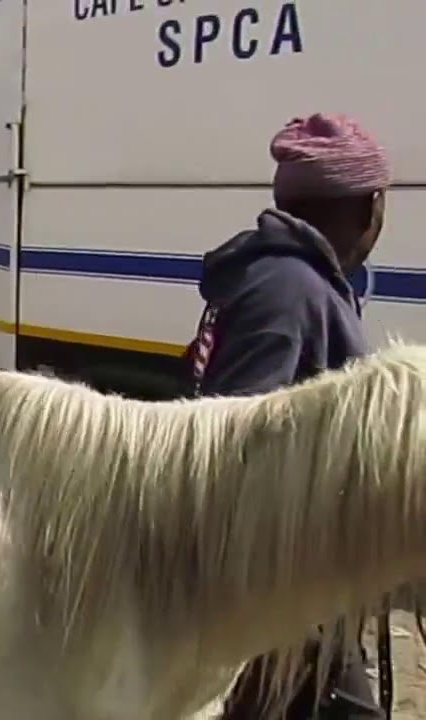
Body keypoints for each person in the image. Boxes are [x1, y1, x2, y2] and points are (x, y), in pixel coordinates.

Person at [190, 113, 390, 719]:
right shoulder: (287, 291)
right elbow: (236, 441)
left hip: (303, 585)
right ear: (366, 206)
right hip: (286, 590)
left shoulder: (291, 281)